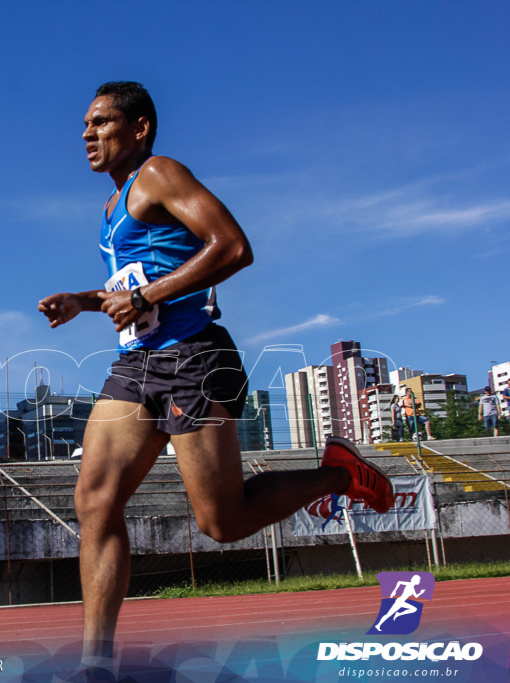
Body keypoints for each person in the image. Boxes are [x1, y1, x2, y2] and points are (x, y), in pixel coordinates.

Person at [38, 81, 395, 681]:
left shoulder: (159, 173)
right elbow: (135, 288)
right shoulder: (112, 206)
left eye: (101, 122)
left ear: (140, 127)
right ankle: (96, 663)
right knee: (94, 501)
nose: (87, 134)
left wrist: (146, 294)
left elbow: (231, 247)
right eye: (85, 125)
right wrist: (85, 299)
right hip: (136, 366)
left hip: (193, 360)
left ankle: (340, 472)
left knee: (221, 523)